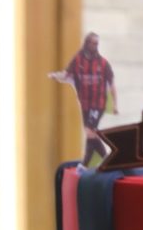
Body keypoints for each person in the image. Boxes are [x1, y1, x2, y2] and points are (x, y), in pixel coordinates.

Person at [49, 32, 117, 166]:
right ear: (87, 43)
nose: (95, 46)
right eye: (93, 43)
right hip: (85, 104)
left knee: (90, 132)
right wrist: (55, 76)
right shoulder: (78, 60)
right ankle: (93, 162)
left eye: (97, 43)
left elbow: (112, 85)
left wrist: (114, 104)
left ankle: (101, 162)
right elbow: (66, 74)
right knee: (90, 134)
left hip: (98, 103)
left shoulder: (103, 63)